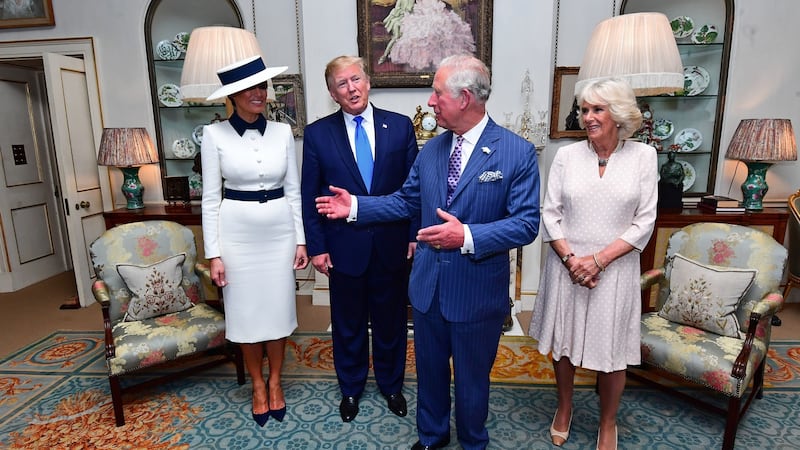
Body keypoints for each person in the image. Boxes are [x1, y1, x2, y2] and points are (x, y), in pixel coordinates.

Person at [316, 54, 540, 450]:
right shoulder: (433, 150)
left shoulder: (515, 152)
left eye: (437, 94)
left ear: (464, 98)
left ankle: (472, 441)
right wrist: (355, 208)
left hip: (475, 293)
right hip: (427, 289)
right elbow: (405, 201)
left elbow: (525, 224)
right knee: (430, 375)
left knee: (472, 381)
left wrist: (465, 236)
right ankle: (432, 436)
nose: (430, 101)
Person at [527, 77, 657, 450]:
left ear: (618, 113)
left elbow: (645, 220)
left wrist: (598, 260)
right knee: (564, 344)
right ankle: (564, 408)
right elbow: (550, 213)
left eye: (597, 109)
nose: (588, 117)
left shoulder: (644, 156)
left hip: (614, 270)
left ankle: (608, 422)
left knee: (613, 352)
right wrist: (573, 260)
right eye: (584, 109)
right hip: (566, 267)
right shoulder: (566, 156)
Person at [301, 55, 419, 423]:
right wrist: (317, 247)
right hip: (343, 247)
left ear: (368, 82)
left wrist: (413, 234)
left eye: (356, 79)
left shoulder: (399, 127)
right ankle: (350, 387)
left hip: (392, 244)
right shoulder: (318, 134)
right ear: (332, 93)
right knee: (348, 324)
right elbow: (309, 195)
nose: (351, 88)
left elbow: (414, 190)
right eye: (342, 83)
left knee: (391, 322)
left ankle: (391, 385)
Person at [200, 55, 308, 427]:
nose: (259, 93)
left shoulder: (282, 132)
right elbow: (210, 199)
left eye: (262, 86)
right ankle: (258, 386)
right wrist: (214, 254)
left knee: (277, 311)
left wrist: (300, 240)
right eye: (250, 88)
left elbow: (294, 191)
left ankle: (275, 381)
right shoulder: (213, 135)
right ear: (232, 95)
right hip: (237, 237)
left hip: (279, 234)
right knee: (246, 314)